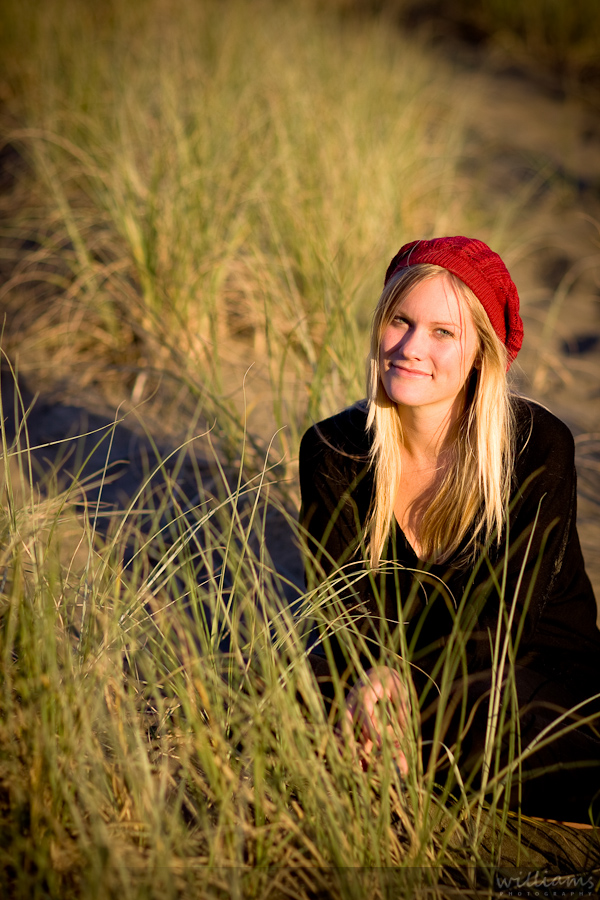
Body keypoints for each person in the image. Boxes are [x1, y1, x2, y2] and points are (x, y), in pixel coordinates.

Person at [299, 236, 600, 824]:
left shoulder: (536, 446)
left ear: (480, 353)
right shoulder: (333, 450)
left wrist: (406, 695)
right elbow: (339, 610)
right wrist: (367, 684)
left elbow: (499, 620)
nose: (411, 348)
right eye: (400, 321)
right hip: (385, 685)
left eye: (443, 332)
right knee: (294, 696)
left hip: (525, 683)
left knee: (482, 702)